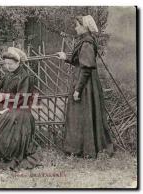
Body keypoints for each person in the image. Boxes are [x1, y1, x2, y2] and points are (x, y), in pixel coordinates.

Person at [57, 15, 114, 158]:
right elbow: (79, 62)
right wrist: (66, 58)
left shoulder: (87, 43)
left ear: (84, 27)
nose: (75, 28)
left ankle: (85, 149)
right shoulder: (84, 41)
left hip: (86, 84)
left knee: (84, 114)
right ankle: (79, 148)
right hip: (84, 81)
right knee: (81, 115)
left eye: (77, 25)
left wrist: (78, 89)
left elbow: (86, 68)